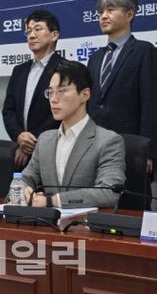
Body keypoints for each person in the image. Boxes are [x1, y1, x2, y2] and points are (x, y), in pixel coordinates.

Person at [87, 0, 157, 207]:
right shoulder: (95, 58)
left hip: (131, 148)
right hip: (95, 148)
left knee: (132, 209)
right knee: (96, 208)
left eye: (110, 10)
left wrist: (148, 151)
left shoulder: (143, 51)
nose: (103, 16)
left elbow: (151, 105)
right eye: (100, 12)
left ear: (130, 14)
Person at [22, 60, 126, 208]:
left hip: (86, 221)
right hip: (45, 220)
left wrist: (52, 201)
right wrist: (23, 191)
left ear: (85, 95)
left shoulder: (108, 141)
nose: (53, 99)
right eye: (50, 92)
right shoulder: (45, 139)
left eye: (61, 91)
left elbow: (109, 192)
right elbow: (24, 178)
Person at [3, 9, 63, 169]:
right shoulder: (19, 71)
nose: (31, 35)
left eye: (37, 29)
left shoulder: (66, 69)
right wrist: (19, 137)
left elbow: (62, 112)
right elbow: (8, 110)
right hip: (19, 151)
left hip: (53, 150)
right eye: (28, 31)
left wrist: (31, 142)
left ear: (54, 35)